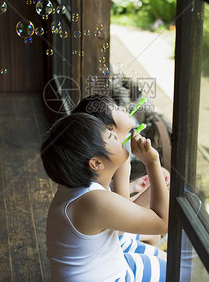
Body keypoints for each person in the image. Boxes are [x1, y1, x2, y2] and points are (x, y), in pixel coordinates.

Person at [41, 113, 169, 281]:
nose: (115, 134)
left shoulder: (76, 189)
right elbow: (162, 223)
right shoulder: (94, 201)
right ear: (96, 163)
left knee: (170, 262)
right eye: (110, 135)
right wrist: (152, 162)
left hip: (107, 268)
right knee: (182, 270)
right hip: (112, 277)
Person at [73, 95, 170, 247]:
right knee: (155, 233)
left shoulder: (106, 158)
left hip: (108, 224)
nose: (124, 109)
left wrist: (133, 187)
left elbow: (119, 205)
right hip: (110, 237)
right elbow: (121, 216)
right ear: (108, 129)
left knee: (164, 177)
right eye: (117, 109)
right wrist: (151, 163)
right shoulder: (118, 159)